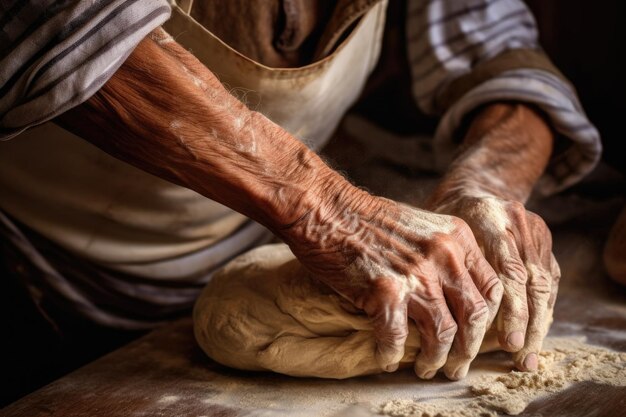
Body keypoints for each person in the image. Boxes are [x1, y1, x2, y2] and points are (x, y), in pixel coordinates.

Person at [0, 0, 601, 391]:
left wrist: (481, 186)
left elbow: (502, 59)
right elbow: (61, 31)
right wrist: (329, 213)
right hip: (38, 274)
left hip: (261, 247)